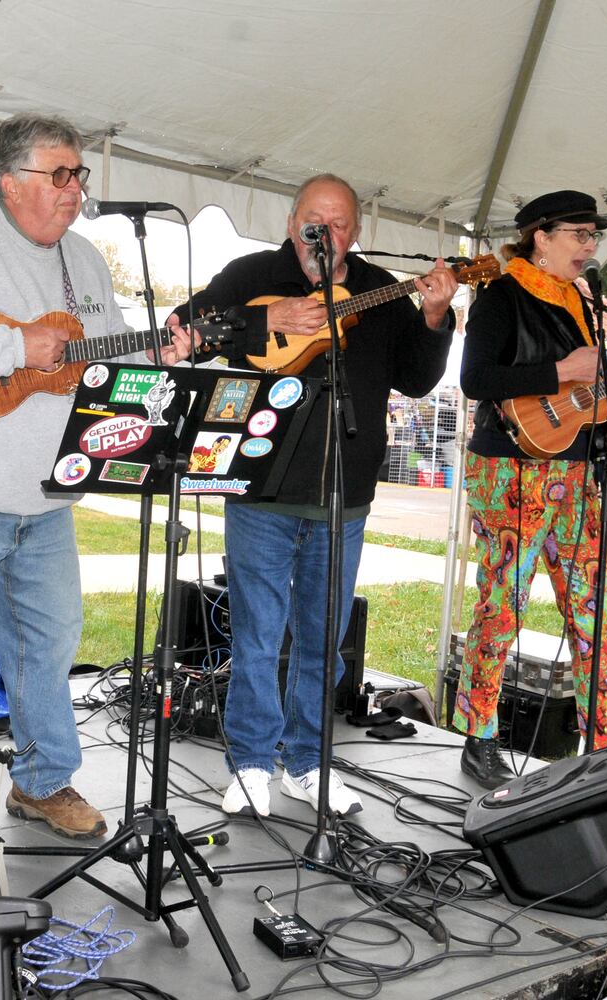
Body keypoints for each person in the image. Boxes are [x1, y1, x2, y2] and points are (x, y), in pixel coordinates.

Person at [0, 113, 196, 860]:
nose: (74, 189)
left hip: (46, 497)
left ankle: (43, 780)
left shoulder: (85, 260)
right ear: (10, 182)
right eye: (59, 175)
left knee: (47, 647)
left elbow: (105, 360)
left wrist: (160, 351)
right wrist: (12, 344)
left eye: (78, 175)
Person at [168, 173, 458, 818]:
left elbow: (415, 379)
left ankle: (306, 764)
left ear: (355, 233)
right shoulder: (249, 274)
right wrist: (263, 319)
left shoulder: (381, 291)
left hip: (343, 497)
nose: (324, 233)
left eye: (340, 223)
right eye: (313, 220)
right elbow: (184, 330)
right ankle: (248, 764)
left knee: (323, 642)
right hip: (261, 490)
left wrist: (436, 316)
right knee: (257, 638)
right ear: (293, 219)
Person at [451, 190, 607, 788]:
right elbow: (476, 377)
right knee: (502, 605)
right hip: (513, 469)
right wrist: (560, 369)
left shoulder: (582, 303)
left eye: (594, 236)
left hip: (581, 470)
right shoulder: (502, 296)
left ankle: (603, 742)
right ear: (541, 236)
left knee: (592, 608)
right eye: (580, 234)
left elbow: (593, 393)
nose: (589, 246)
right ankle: (478, 734)